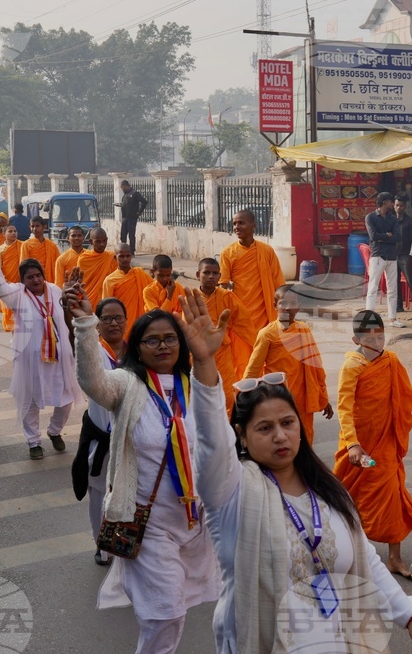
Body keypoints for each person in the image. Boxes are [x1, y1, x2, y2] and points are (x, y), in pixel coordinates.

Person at [173, 289, 412, 654]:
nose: (281, 435)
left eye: (287, 422)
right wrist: (204, 366)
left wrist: (411, 616)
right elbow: (209, 443)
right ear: (242, 435)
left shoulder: (328, 490)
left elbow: (365, 561)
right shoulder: (232, 491)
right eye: (264, 428)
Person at [64, 286, 219, 654]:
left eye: (170, 339)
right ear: (137, 348)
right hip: (145, 522)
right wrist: (86, 325)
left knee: (177, 610)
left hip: (195, 521)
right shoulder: (126, 385)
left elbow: (220, 440)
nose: (163, 346)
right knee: (164, 612)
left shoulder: (197, 387)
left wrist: (207, 358)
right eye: (152, 340)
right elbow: (92, 381)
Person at [333, 310, 412, 578]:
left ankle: (394, 558)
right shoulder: (351, 366)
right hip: (359, 446)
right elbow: (344, 407)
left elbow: (404, 399)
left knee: (390, 496)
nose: (377, 342)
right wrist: (352, 444)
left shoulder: (391, 361)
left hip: (385, 443)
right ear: (355, 339)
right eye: (370, 337)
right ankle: (348, 554)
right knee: (348, 499)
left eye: (381, 335)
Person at [0, 246, 82, 459]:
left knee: (65, 398)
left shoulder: (55, 290)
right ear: (23, 280)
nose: (35, 280)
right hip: (31, 359)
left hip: (59, 356)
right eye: (30, 277)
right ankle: (33, 442)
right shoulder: (17, 294)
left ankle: (55, 431)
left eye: (38, 275)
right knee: (31, 401)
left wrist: (70, 293)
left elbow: (69, 314)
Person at [70, 295, 127, 566]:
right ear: (98, 323)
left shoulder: (136, 353)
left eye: (119, 318)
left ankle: (126, 542)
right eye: (107, 318)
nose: (113, 323)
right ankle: (102, 546)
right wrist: (81, 321)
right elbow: (82, 346)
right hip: (100, 439)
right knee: (98, 494)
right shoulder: (94, 350)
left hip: (129, 440)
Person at [243, 284, 333, 444]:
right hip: (278, 397)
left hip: (302, 398)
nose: (288, 308)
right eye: (283, 303)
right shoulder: (267, 334)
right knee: (281, 440)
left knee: (304, 440)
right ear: (275, 306)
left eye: (293, 304)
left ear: (299, 307)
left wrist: (323, 396)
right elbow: (253, 369)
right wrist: (245, 400)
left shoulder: (304, 330)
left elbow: (315, 366)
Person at [195, 257, 256, 415]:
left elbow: (243, 322)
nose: (211, 276)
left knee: (227, 395)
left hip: (222, 352)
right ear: (197, 275)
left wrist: (254, 345)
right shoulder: (192, 299)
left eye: (215, 273)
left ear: (220, 276)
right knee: (201, 395)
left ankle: (228, 431)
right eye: (206, 272)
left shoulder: (227, 297)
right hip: (199, 354)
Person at [219, 209, 285, 332]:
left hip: (264, 311)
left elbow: (279, 283)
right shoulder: (227, 253)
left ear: (253, 225)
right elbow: (223, 285)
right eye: (234, 224)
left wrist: (282, 310)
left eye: (241, 223)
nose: (237, 227)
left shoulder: (266, 251)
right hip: (240, 311)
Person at [364, 191, 404, 327]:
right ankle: (369, 318)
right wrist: (388, 235)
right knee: (373, 287)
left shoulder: (393, 219)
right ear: (385, 202)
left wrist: (383, 237)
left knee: (393, 289)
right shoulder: (370, 217)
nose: (393, 204)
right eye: (391, 201)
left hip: (391, 256)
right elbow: (373, 236)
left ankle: (393, 319)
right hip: (377, 256)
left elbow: (398, 237)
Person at [101, 243, 154, 339]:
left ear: (131, 256)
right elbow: (106, 307)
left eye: (128, 256)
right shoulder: (109, 280)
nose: (125, 259)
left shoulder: (141, 274)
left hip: (141, 322)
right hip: (121, 324)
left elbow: (154, 291)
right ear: (114, 257)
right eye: (121, 256)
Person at [77, 228, 118, 308]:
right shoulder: (84, 259)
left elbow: (116, 280)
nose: (102, 244)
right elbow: (82, 282)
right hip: (89, 299)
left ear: (107, 240)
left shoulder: (112, 257)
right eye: (98, 242)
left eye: (104, 241)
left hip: (107, 300)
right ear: (91, 242)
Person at [0, 225, 23, 332]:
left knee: (21, 311)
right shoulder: (0, 250)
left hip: (20, 284)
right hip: (7, 284)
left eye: (15, 231)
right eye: (10, 231)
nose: (13, 233)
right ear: (3, 234)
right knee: (8, 310)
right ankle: (12, 330)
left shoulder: (22, 246)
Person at [115, 179, 147, 254]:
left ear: (126, 186)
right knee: (123, 235)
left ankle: (132, 251)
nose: (122, 189)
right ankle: (123, 250)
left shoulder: (134, 193)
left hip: (132, 218)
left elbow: (144, 202)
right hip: (124, 218)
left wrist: (139, 212)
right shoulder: (125, 195)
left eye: (122, 187)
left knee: (131, 235)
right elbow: (126, 204)